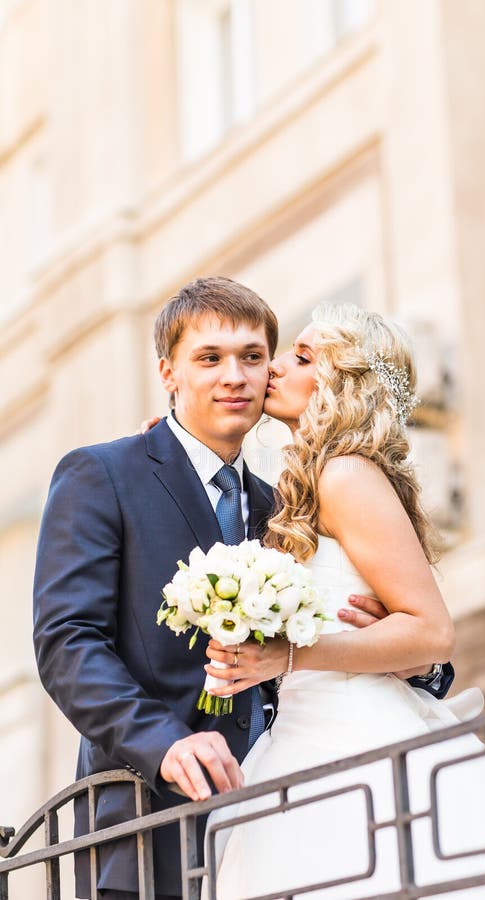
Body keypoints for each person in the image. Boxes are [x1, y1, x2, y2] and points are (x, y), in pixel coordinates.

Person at [32, 277, 451, 900]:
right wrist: (164, 743)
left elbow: (416, 635)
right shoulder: (103, 475)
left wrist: (411, 665)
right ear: (168, 372)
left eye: (253, 357)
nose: (236, 376)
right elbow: (67, 643)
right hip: (152, 824)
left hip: (292, 811)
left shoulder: (289, 508)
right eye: (209, 359)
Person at [202, 304, 485, 899]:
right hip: (304, 735)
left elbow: (432, 632)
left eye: (301, 358)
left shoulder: (346, 475)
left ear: (343, 385)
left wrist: (284, 658)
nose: (275, 368)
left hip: (355, 731)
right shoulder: (304, 486)